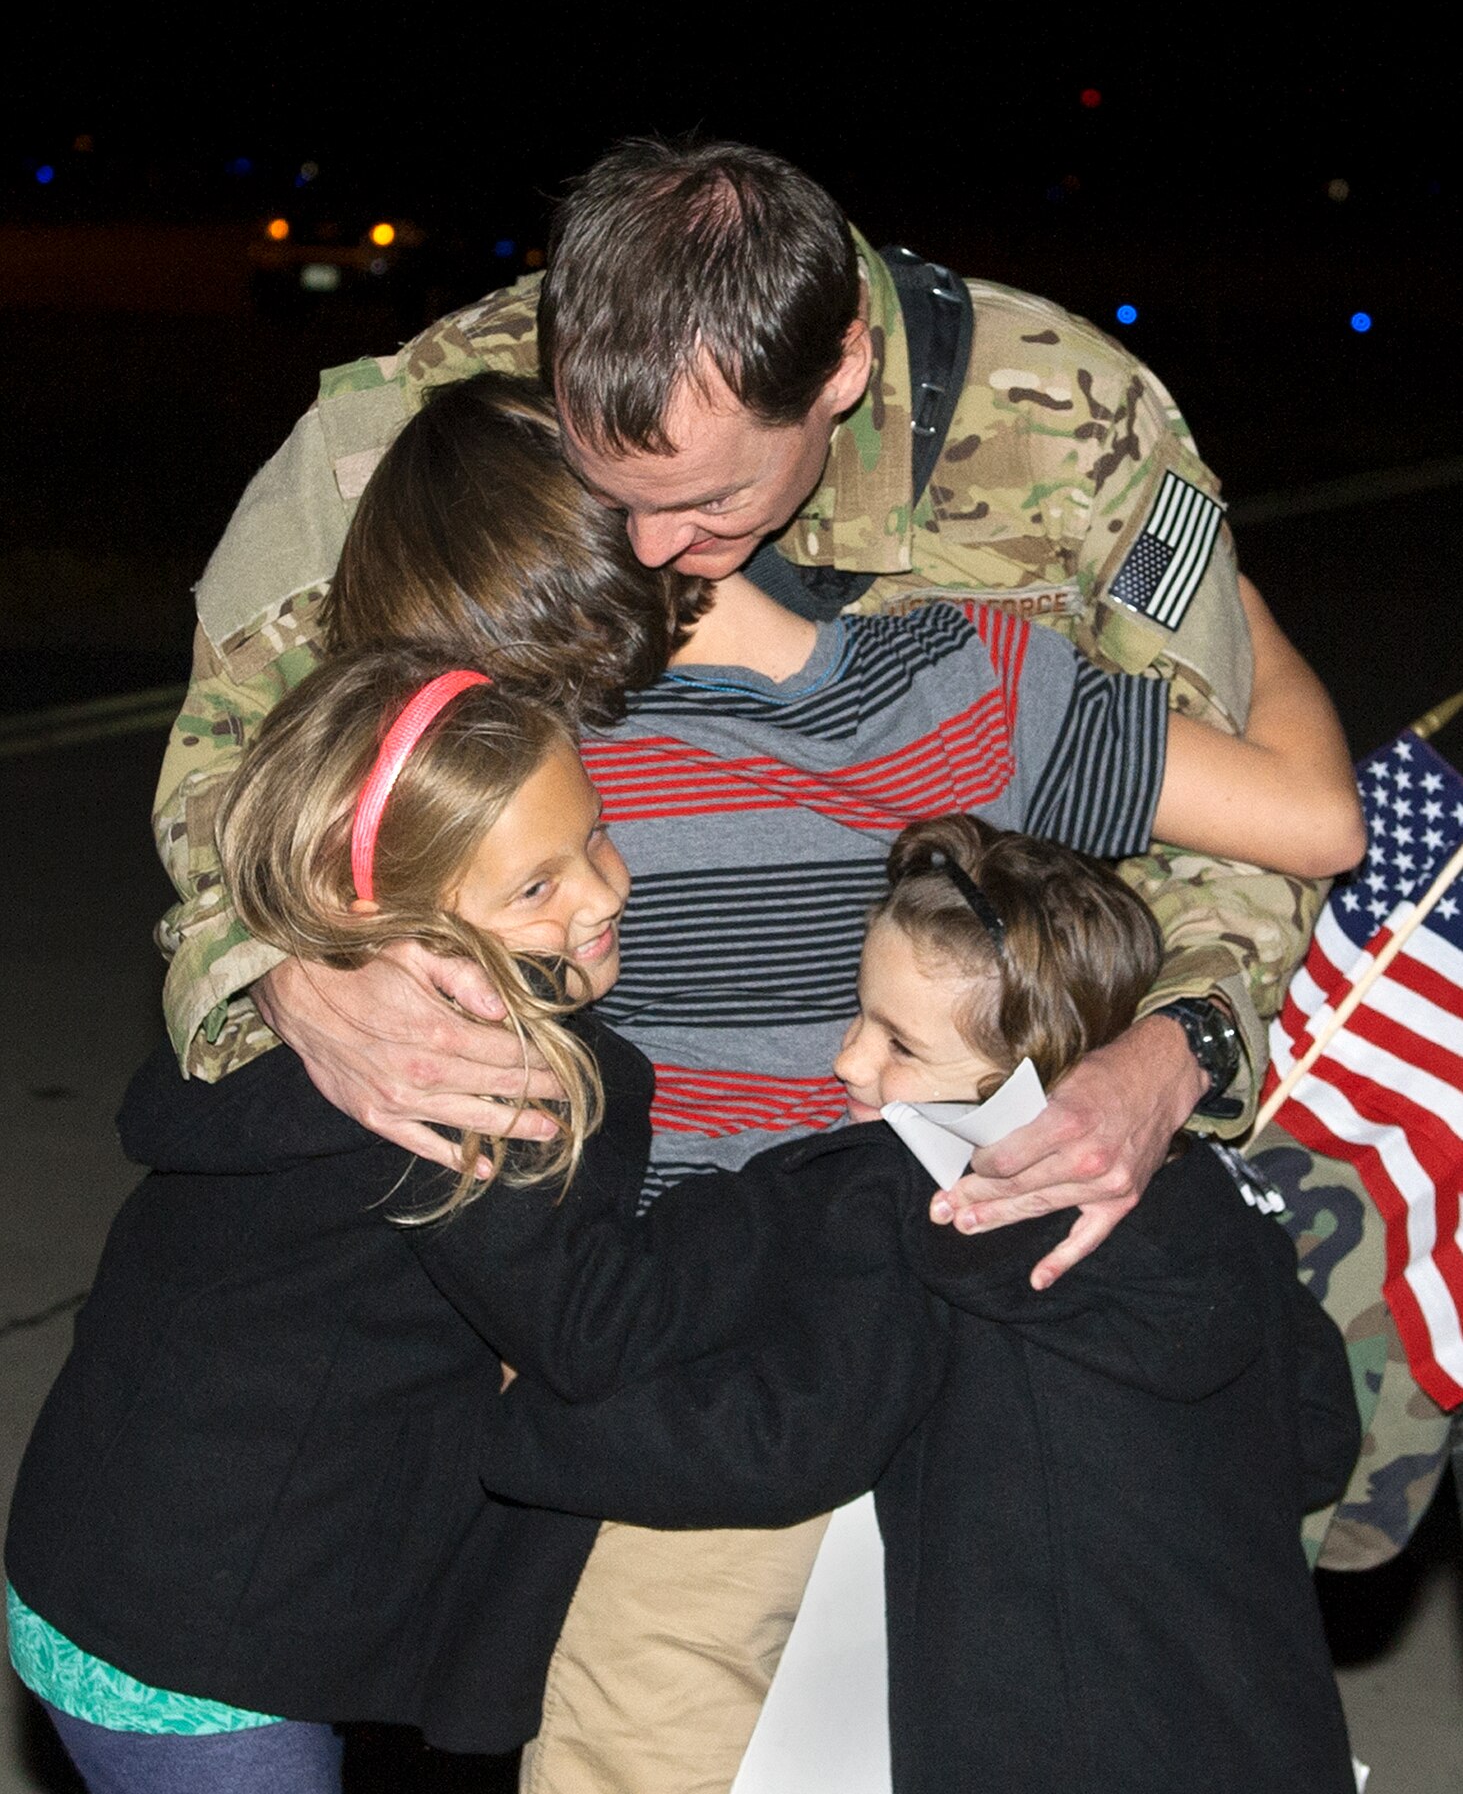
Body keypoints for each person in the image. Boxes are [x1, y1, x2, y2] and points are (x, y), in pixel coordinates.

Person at [152, 141, 1419, 1567]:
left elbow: (1242, 816)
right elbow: (232, 775)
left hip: (990, 1176)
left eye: (703, 506)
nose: (640, 548)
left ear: (837, 372)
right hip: (617, 1254)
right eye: (605, 483)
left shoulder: (1067, 425)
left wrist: (1175, 1050)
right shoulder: (416, 423)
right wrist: (288, 978)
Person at [270, 370, 1360, 1792]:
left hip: (687, 1359)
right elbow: (1314, 817)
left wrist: (298, 964)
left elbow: (337, 889)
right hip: (961, 1323)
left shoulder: (550, 794)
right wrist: (1208, 579)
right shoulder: (961, 683)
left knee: (632, 1737)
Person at [5, 641, 950, 1792]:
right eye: (535, 888)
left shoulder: (317, 1025)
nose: (602, 890)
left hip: (95, 1558)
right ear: (391, 922)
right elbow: (595, 1326)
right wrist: (831, 1184)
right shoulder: (475, 1080)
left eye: (593, 834)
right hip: (198, 1651)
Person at [479, 817, 1362, 1794]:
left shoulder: (918, 1194)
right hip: (1269, 1739)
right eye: (860, 1016)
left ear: (1029, 1082)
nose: (848, 1062)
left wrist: (513, 1428)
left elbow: (782, 1440)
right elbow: (1318, 1434)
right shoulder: (1227, 1212)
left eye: (897, 1040)